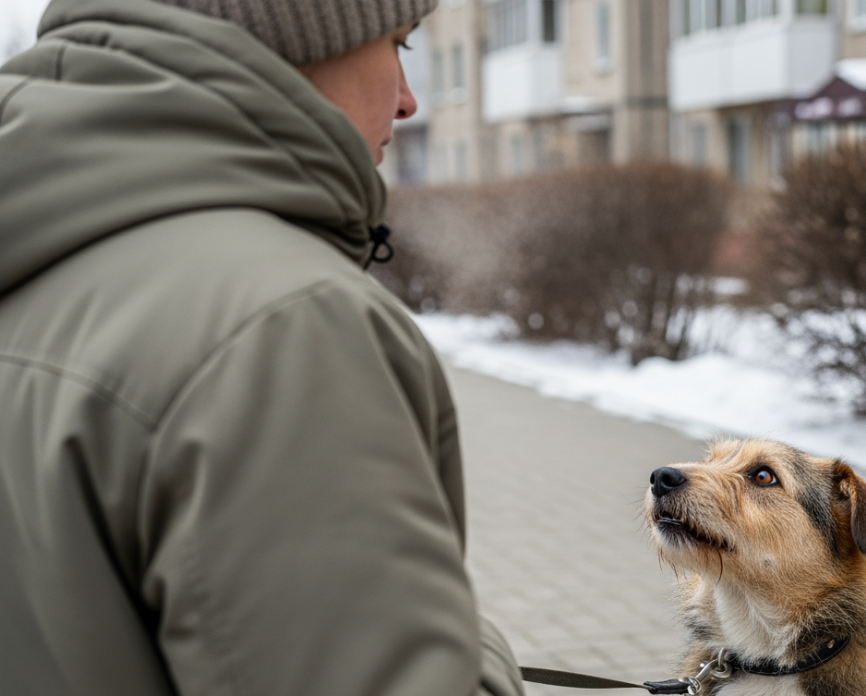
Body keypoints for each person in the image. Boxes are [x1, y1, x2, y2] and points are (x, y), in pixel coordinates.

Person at [0, 1, 524, 695]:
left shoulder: (39, 248)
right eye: (397, 44)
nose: (406, 99)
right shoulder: (283, 326)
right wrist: (464, 636)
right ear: (298, 36)